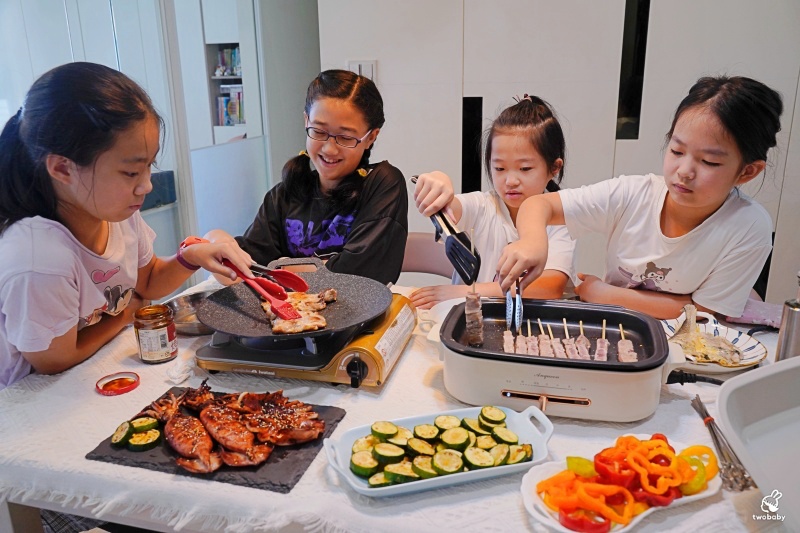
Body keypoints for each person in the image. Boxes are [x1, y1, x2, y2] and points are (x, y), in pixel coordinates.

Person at [0, 62, 255, 391]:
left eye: (149, 165)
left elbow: (146, 280)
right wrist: (127, 313)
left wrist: (190, 258)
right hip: (32, 403)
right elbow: (54, 359)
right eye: (131, 173)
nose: (146, 186)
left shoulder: (113, 211)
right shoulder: (39, 257)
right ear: (62, 168)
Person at [497, 76, 782, 320]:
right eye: (677, 151)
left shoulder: (748, 226)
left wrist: (605, 294)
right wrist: (533, 241)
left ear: (747, 171)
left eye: (708, 162)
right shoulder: (633, 194)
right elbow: (539, 204)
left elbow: (706, 312)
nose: (683, 172)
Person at [206, 69, 408, 285]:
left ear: (371, 137)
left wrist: (282, 267)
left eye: (345, 137)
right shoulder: (283, 195)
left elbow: (360, 276)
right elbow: (247, 268)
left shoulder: (382, 184)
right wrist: (214, 238)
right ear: (306, 120)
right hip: (294, 317)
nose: (330, 149)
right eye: (319, 132)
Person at [411, 95, 575, 308]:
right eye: (499, 168)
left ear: (554, 168)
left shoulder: (561, 220)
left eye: (525, 169)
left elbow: (549, 287)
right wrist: (438, 184)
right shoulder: (483, 205)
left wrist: (464, 293)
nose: (511, 181)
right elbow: (453, 210)